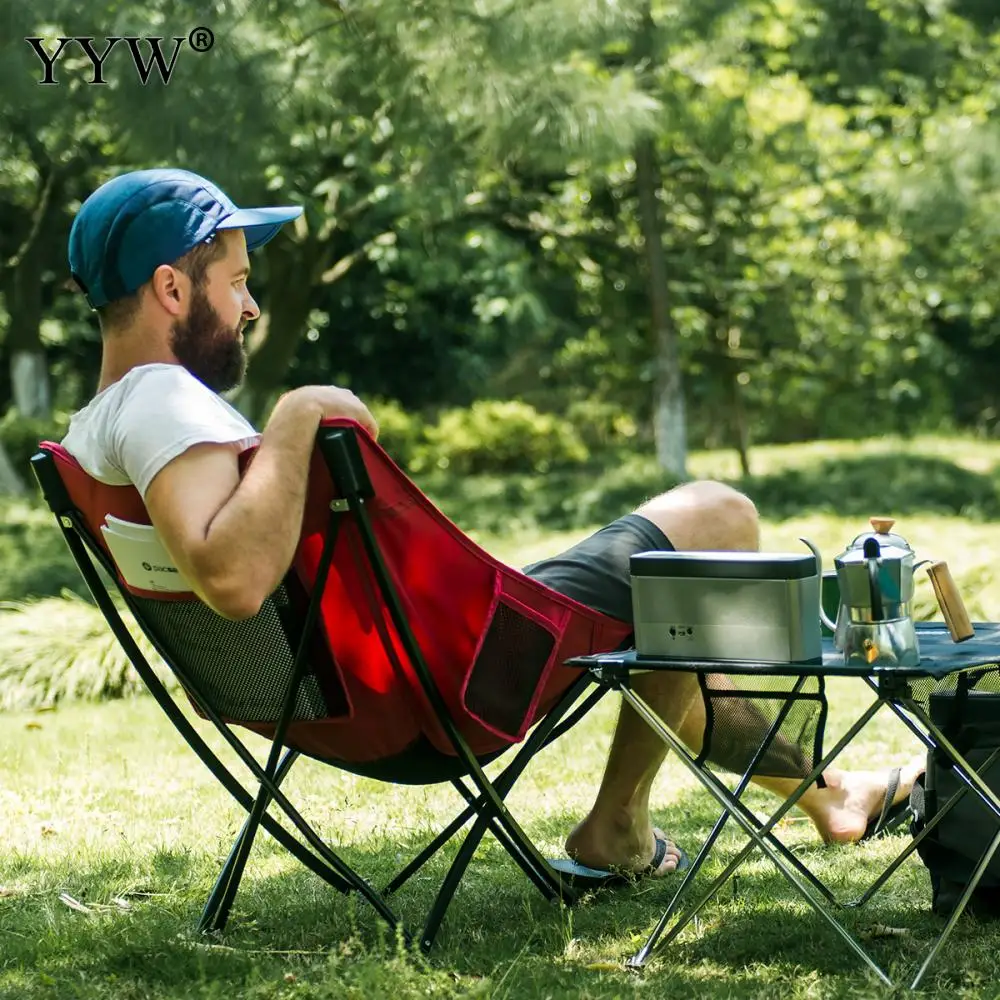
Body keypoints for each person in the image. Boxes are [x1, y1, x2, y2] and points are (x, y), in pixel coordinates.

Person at [61, 168, 920, 882]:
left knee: (675, 630)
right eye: (238, 281)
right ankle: (631, 824)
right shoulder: (167, 401)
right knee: (717, 518)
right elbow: (234, 581)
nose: (249, 309)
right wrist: (298, 412)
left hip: (353, 700)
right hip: (460, 683)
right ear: (172, 288)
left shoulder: (96, 432)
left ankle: (826, 793)